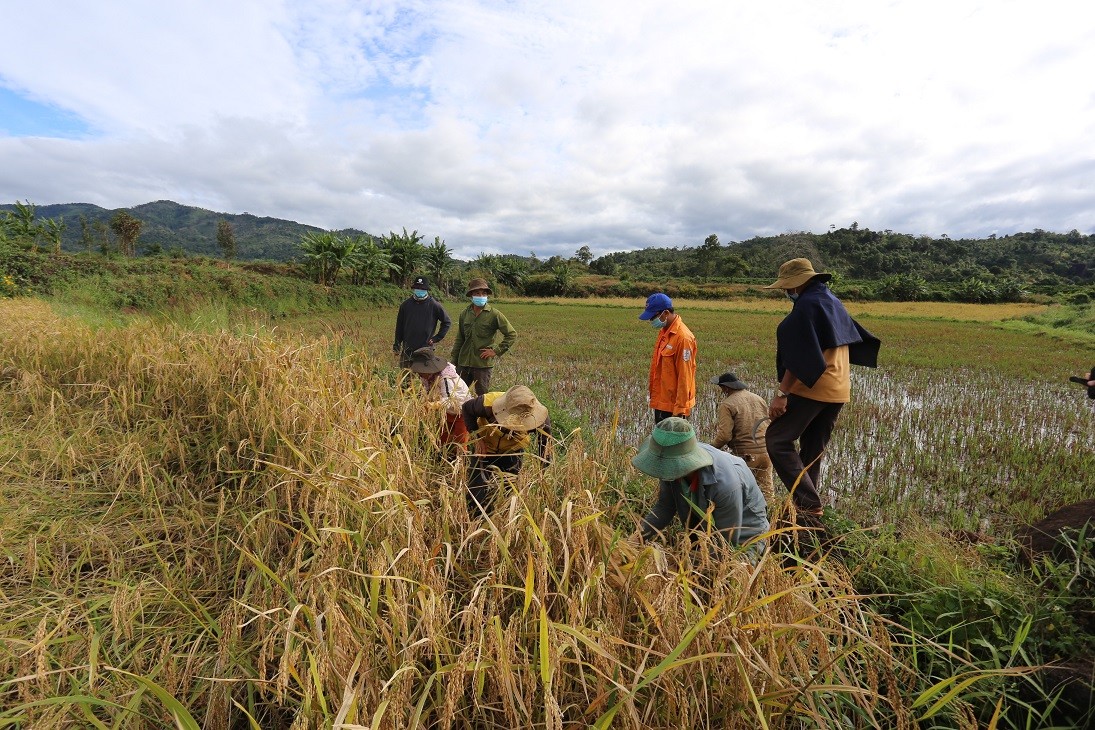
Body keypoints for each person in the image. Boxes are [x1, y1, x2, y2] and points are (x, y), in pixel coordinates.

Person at [762, 258, 881, 518]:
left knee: (777, 439)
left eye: (787, 287)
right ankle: (806, 511)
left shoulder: (806, 307)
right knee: (813, 447)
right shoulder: (831, 301)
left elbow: (799, 356)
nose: (786, 292)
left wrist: (781, 395)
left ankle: (809, 503)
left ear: (797, 284)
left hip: (814, 386)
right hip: (839, 388)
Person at [632, 417, 769, 549]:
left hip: (745, 536)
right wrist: (636, 539)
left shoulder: (725, 485)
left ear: (683, 462)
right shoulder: (671, 462)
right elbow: (665, 507)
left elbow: (725, 544)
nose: (664, 469)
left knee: (725, 568)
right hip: (704, 529)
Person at [461, 385, 552, 514]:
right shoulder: (487, 403)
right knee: (477, 493)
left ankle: (503, 521)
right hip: (486, 447)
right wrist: (477, 438)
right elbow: (466, 409)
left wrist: (542, 470)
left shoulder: (539, 418)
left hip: (513, 449)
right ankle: (476, 522)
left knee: (510, 492)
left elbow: (545, 443)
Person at [708, 372, 774, 504]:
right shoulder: (758, 398)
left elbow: (725, 436)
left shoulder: (727, 404)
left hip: (746, 455)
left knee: (741, 493)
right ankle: (773, 519)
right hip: (766, 452)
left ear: (726, 388)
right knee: (767, 493)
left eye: (721, 388)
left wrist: (709, 449)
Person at [451, 278, 517, 395]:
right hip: (464, 362)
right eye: (477, 293)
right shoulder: (464, 314)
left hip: (482, 364)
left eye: (484, 293)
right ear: (471, 295)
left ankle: (482, 414)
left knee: (483, 396)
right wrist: (454, 361)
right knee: (459, 394)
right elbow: (460, 338)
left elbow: (511, 334)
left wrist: (496, 351)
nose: (481, 296)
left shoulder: (494, 314)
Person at [639, 292, 697, 424]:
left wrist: (679, 410)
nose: (651, 321)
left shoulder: (683, 338)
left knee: (672, 443)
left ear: (665, 313)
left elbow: (685, 376)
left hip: (674, 408)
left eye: (653, 317)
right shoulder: (664, 332)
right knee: (661, 442)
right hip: (662, 402)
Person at [407, 346, 471, 449]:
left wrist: (433, 405)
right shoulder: (427, 377)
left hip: (461, 412)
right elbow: (427, 392)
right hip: (446, 412)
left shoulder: (445, 379)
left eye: (421, 371)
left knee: (460, 440)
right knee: (443, 437)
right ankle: (444, 456)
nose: (419, 374)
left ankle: (462, 461)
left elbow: (449, 400)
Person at [393, 276, 451, 369]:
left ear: (427, 289)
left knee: (426, 378)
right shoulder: (405, 305)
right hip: (408, 349)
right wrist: (397, 344)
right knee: (405, 378)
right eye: (417, 288)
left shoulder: (434, 305)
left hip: (425, 349)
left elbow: (446, 322)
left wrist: (436, 338)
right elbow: (399, 326)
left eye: (422, 288)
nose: (419, 290)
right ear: (414, 288)